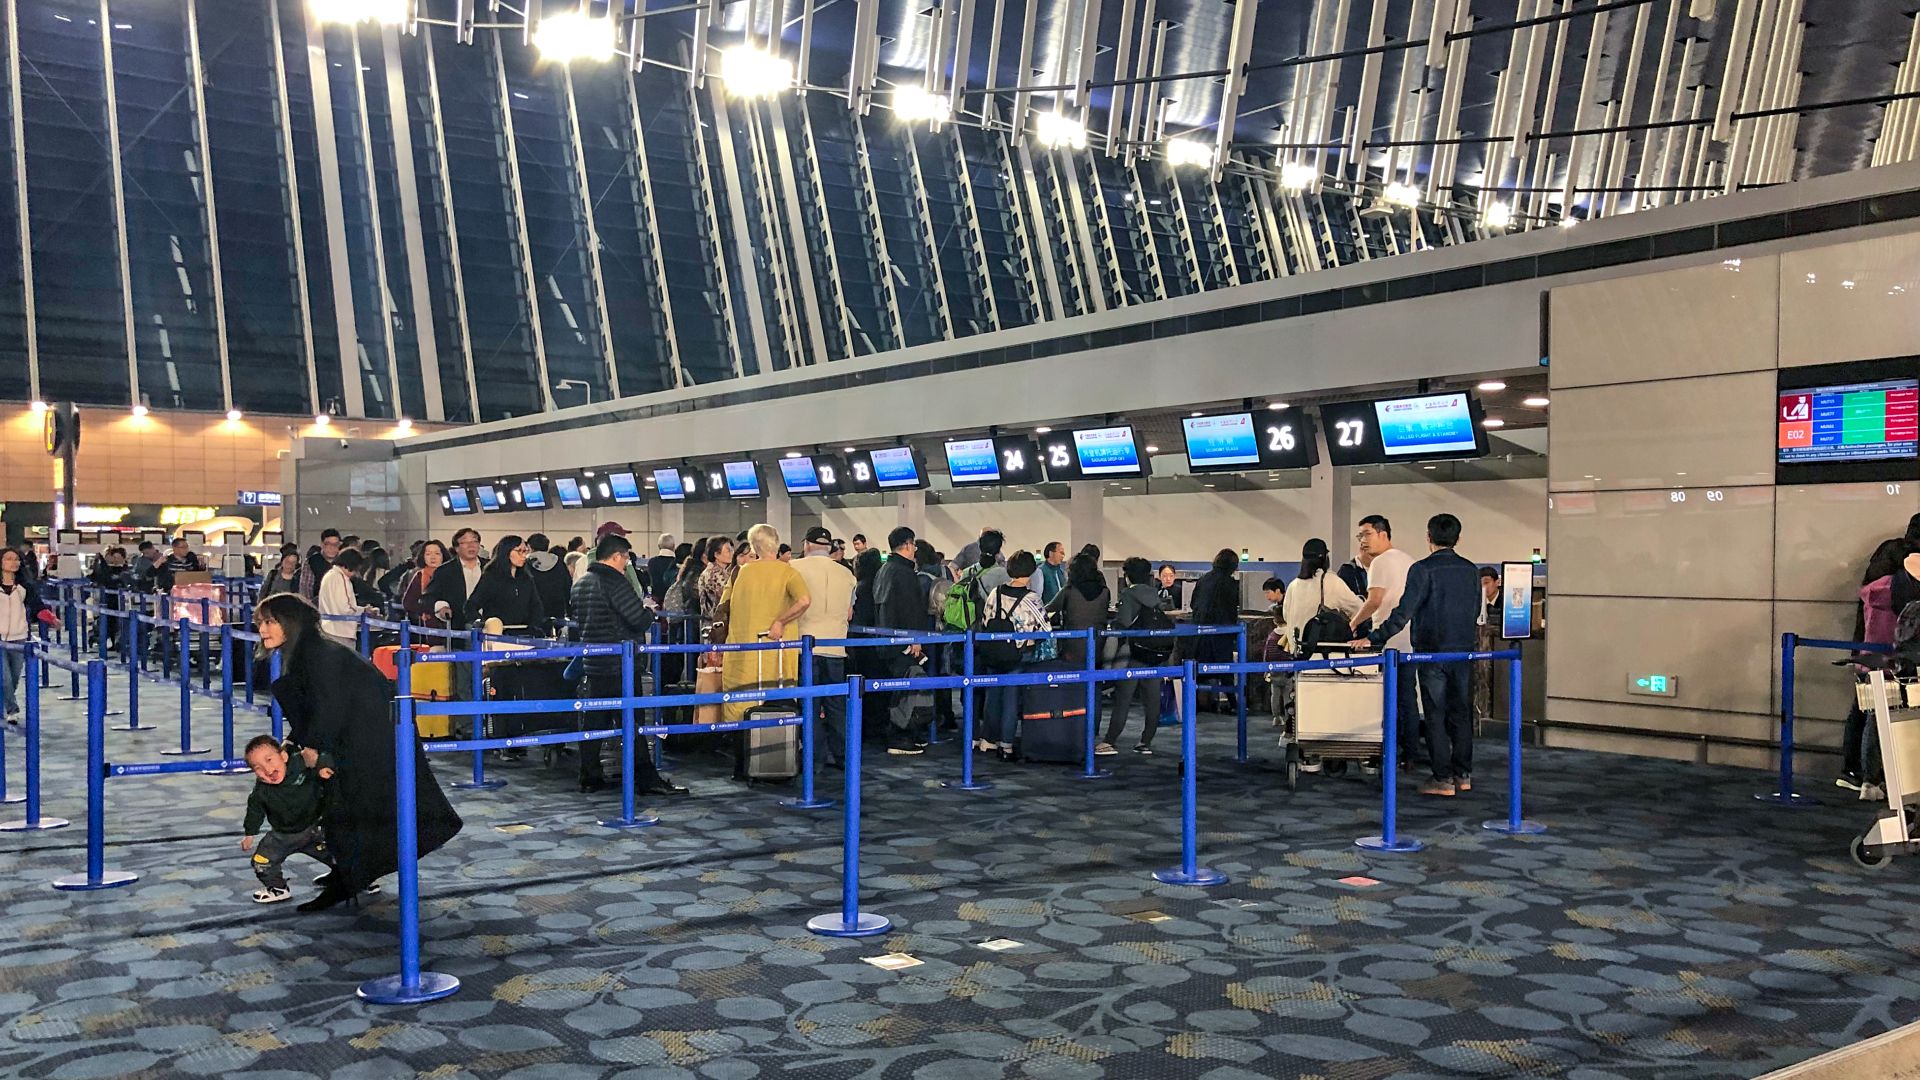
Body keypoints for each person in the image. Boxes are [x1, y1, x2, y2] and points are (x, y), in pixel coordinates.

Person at [257, 593, 462, 911]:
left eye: (270, 621)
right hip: (363, 741)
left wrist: (313, 748)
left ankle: (351, 877)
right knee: (347, 811)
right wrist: (297, 741)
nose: (263, 630)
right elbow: (320, 707)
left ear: (291, 622)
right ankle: (352, 872)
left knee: (351, 811)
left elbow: (329, 709)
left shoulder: (317, 655)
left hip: (368, 745)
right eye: (261, 623)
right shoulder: (311, 652)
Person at [1354, 513, 1482, 797]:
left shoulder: (1422, 569)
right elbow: (1475, 612)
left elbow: (1403, 614)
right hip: (1463, 652)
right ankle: (1463, 774)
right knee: (1461, 714)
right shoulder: (1472, 570)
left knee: (1435, 714)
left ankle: (1442, 779)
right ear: (1458, 538)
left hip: (1431, 653)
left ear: (1428, 538)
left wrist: (1373, 638)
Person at [569, 533, 683, 795]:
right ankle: (645, 777)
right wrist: (649, 612)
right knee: (633, 723)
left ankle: (589, 776)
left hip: (593, 663)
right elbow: (637, 620)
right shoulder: (614, 583)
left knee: (594, 723)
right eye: (626, 559)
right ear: (617, 556)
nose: (627, 564)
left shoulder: (582, 584)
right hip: (622, 663)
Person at [719, 526, 810, 743]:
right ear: (777, 544)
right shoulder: (788, 572)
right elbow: (804, 600)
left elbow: (723, 607)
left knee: (741, 705)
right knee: (777, 704)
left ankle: (743, 758)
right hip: (776, 655)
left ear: (753, 546)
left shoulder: (740, 573)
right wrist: (780, 621)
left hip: (740, 653)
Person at [1350, 515, 1419, 768]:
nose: (1363, 541)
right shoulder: (1409, 561)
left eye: (1366, 534)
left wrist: (1354, 622)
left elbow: (1374, 601)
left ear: (1383, 534)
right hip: (1410, 640)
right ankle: (1410, 753)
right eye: (1360, 536)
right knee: (1407, 699)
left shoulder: (1380, 563)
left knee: (1386, 701)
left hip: (1387, 642)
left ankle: (1387, 750)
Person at [1841, 538, 1910, 790]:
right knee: (1876, 717)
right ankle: (1872, 778)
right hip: (1890, 658)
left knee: (1864, 711)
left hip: (1868, 656)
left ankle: (1856, 773)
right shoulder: (1901, 588)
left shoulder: (1874, 589)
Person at [240, 735, 335, 905]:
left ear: (283, 756)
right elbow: (254, 810)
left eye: (269, 760)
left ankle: (357, 879)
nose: (267, 770)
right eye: (258, 768)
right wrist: (249, 833)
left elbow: (324, 756)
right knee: (261, 861)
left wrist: (322, 766)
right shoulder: (261, 791)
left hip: (315, 828)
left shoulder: (300, 763)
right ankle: (278, 888)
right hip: (282, 836)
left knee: (339, 851)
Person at [792, 527, 856, 766]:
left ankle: (812, 756)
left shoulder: (793, 568)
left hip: (804, 647)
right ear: (830, 548)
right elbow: (849, 613)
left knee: (808, 704)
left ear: (806, 545)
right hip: (837, 647)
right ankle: (843, 755)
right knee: (837, 705)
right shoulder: (848, 575)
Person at [979, 551, 1051, 759]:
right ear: (1031, 571)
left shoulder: (996, 592)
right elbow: (1045, 629)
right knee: (1011, 697)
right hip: (1017, 654)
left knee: (992, 695)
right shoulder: (1032, 599)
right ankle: (1007, 744)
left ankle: (988, 739)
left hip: (993, 650)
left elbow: (985, 619)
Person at [1100, 557, 1167, 756]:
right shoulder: (1155, 594)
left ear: (1127, 576)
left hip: (1134, 652)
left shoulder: (1129, 594)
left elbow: (1124, 622)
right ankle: (1145, 741)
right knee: (1152, 699)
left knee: (1123, 698)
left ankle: (1109, 741)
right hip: (1154, 652)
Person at [873, 525, 928, 754]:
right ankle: (900, 736)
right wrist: (915, 639)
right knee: (903, 691)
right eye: (913, 544)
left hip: (885, 641)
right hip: (903, 644)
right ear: (907, 544)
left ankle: (904, 732)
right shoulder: (905, 573)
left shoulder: (884, 570)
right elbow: (910, 609)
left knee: (897, 689)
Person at [0, 549, 49, 719]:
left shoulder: (24, 586)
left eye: (16, 559)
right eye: (8, 559)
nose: (13, 562)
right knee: (4, 677)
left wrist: (52, 620)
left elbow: (38, 606)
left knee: (13, 677)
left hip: (19, 637)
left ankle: (5, 703)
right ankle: (12, 709)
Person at [467, 535, 549, 635]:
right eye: (519, 551)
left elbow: (536, 606)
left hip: (525, 634)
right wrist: (485, 624)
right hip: (499, 635)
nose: (524, 555)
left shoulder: (527, 579)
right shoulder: (491, 577)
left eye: (526, 551)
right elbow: (470, 605)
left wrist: (533, 626)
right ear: (507, 552)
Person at [1047, 552, 1110, 670]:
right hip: (1098, 645)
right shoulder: (1105, 592)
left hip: (1072, 646)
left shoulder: (1069, 591)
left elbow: (1049, 609)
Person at [423, 527, 487, 631]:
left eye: (474, 541)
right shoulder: (444, 571)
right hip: (459, 625)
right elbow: (429, 597)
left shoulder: (490, 568)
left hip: (488, 624)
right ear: (456, 548)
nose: (471, 545)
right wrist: (442, 607)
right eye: (465, 542)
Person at [316, 548, 370, 646]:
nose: (355, 573)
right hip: (341, 631)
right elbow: (345, 608)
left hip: (327, 628)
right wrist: (363, 610)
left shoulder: (329, 575)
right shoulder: (341, 578)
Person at [1472, 567, 1503, 721]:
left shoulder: (1506, 601)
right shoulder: (1474, 603)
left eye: (1487, 583)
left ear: (1497, 582)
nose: (1484, 588)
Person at [401, 540, 450, 629]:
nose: (433, 557)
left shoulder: (452, 574)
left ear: (443, 556)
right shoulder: (419, 576)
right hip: (428, 625)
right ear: (423, 557)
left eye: (437, 554)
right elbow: (408, 603)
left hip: (453, 624)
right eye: (428, 554)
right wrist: (428, 610)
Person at [298, 529, 342, 603]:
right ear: (321, 544)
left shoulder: (344, 561)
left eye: (335, 544)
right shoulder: (312, 562)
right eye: (328, 544)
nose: (332, 547)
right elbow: (305, 589)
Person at [646, 534, 678, 605]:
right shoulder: (676, 562)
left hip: (656, 600)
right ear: (673, 546)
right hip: (673, 601)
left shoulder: (652, 562)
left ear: (659, 546)